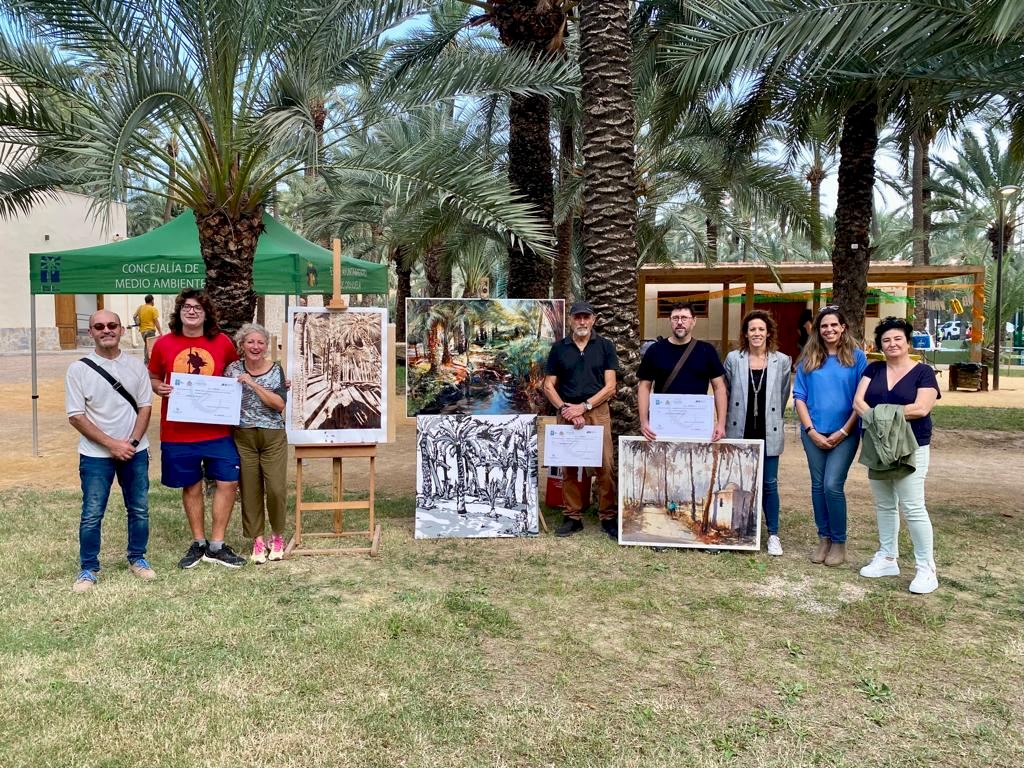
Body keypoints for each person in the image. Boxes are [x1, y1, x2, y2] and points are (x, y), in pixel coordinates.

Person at [149, 289, 245, 569]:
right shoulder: (164, 344)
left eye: (198, 308)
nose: (192, 312)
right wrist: (158, 387)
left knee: (228, 481)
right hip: (178, 431)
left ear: (206, 313)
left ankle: (217, 545)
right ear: (179, 312)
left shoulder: (222, 342)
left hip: (217, 430)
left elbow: (236, 374)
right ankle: (199, 543)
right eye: (187, 307)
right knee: (191, 485)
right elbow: (153, 375)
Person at [65, 310, 154, 592]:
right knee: (92, 513)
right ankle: (88, 568)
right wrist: (112, 444)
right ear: (91, 332)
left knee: (139, 509)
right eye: (99, 326)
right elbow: (76, 416)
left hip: (135, 452)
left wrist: (133, 443)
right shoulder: (78, 370)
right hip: (95, 456)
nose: (107, 330)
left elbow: (145, 407)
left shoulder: (136, 367)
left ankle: (137, 558)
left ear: (121, 330)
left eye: (112, 325)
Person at [853, 317, 941, 594]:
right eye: (886, 340)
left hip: (912, 445)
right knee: (884, 504)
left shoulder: (923, 372)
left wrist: (879, 414)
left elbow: (921, 408)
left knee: (913, 506)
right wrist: (884, 417)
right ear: (880, 345)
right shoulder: (874, 369)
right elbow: (858, 403)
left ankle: (926, 568)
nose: (892, 344)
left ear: (907, 342)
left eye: (897, 339)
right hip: (877, 444)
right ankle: (887, 557)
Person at [793, 305, 867, 566]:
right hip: (813, 432)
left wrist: (844, 430)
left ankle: (838, 542)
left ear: (843, 327)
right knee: (817, 485)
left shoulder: (857, 357)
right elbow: (799, 396)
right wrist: (811, 431)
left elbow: (861, 398)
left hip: (845, 432)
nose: (829, 329)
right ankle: (823, 538)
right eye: (824, 326)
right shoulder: (809, 357)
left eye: (834, 325)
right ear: (817, 329)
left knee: (832, 485)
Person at [542, 301, 618, 538]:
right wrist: (565, 409)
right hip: (566, 412)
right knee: (569, 466)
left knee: (605, 466)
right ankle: (572, 517)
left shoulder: (605, 346)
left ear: (593, 320)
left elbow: (611, 386)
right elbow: (548, 385)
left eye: (586, 317)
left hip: (597, 412)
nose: (582, 321)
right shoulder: (559, 348)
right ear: (570, 320)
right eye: (577, 317)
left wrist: (584, 407)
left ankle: (608, 516)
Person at [723, 310, 792, 556]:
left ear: (769, 332)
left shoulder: (781, 361)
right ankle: (739, 531)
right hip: (739, 430)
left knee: (769, 483)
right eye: (752, 329)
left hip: (768, 430)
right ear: (745, 333)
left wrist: (772, 418)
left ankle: (773, 534)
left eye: (761, 329)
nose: (757, 333)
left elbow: (783, 395)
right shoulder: (733, 359)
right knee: (737, 482)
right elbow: (726, 392)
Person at [225, 323, 288, 564]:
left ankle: (277, 535)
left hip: (273, 436)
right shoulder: (232, 369)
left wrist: (251, 383)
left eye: (260, 342)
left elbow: (279, 404)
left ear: (266, 346)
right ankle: (258, 539)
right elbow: (220, 396)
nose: (255, 346)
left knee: (276, 489)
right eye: (250, 342)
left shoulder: (276, 370)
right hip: (243, 436)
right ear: (241, 345)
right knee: (250, 490)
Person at [637, 302, 727, 441]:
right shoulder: (655, 350)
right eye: (675, 318)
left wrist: (721, 424)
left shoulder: (707, 351)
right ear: (670, 321)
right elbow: (644, 386)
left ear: (694, 321)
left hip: (697, 424)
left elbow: (719, 387)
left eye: (684, 318)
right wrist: (644, 422)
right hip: (662, 424)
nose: (679, 322)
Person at [133, 294, 162, 364]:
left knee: (147, 345)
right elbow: (156, 321)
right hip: (150, 330)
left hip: (143, 331)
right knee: (150, 347)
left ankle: (147, 361)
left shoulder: (140, 307)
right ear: (152, 301)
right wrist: (160, 331)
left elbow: (134, 316)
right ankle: (147, 362)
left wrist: (137, 322)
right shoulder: (153, 309)